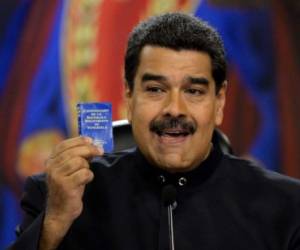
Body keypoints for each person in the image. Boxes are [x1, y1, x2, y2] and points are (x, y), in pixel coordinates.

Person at [10, 12, 300, 250]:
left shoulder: (287, 206)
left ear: (219, 102)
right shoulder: (57, 197)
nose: (175, 109)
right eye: (155, 89)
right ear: (129, 96)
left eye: (194, 91)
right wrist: (53, 226)